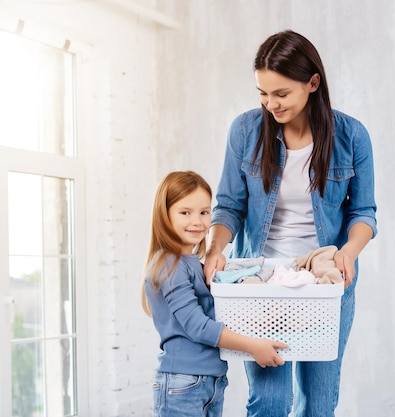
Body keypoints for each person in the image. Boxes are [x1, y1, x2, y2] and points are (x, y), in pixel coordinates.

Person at [203, 30, 378, 417]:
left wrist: (348, 253)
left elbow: (363, 212)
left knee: (318, 404)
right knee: (270, 402)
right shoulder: (246, 131)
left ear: (312, 83)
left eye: (281, 94)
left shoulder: (352, 136)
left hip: (326, 285)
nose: (270, 104)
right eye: (262, 93)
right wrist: (215, 248)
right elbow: (229, 205)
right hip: (261, 284)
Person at [142, 171, 288, 417]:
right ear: (164, 215)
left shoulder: (193, 264)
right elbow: (198, 326)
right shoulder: (169, 264)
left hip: (209, 380)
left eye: (204, 212)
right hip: (183, 381)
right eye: (185, 212)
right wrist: (253, 346)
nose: (197, 221)